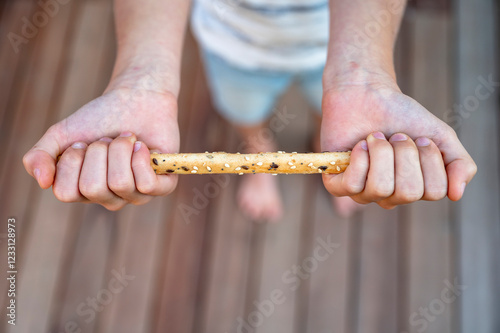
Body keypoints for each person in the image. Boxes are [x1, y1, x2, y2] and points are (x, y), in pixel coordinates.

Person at [22, 0, 476, 220]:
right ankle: (260, 156)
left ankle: (333, 153)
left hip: (334, 46)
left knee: (340, 123)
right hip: (231, 45)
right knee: (246, 110)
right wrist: (140, 80)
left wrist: (364, 78)